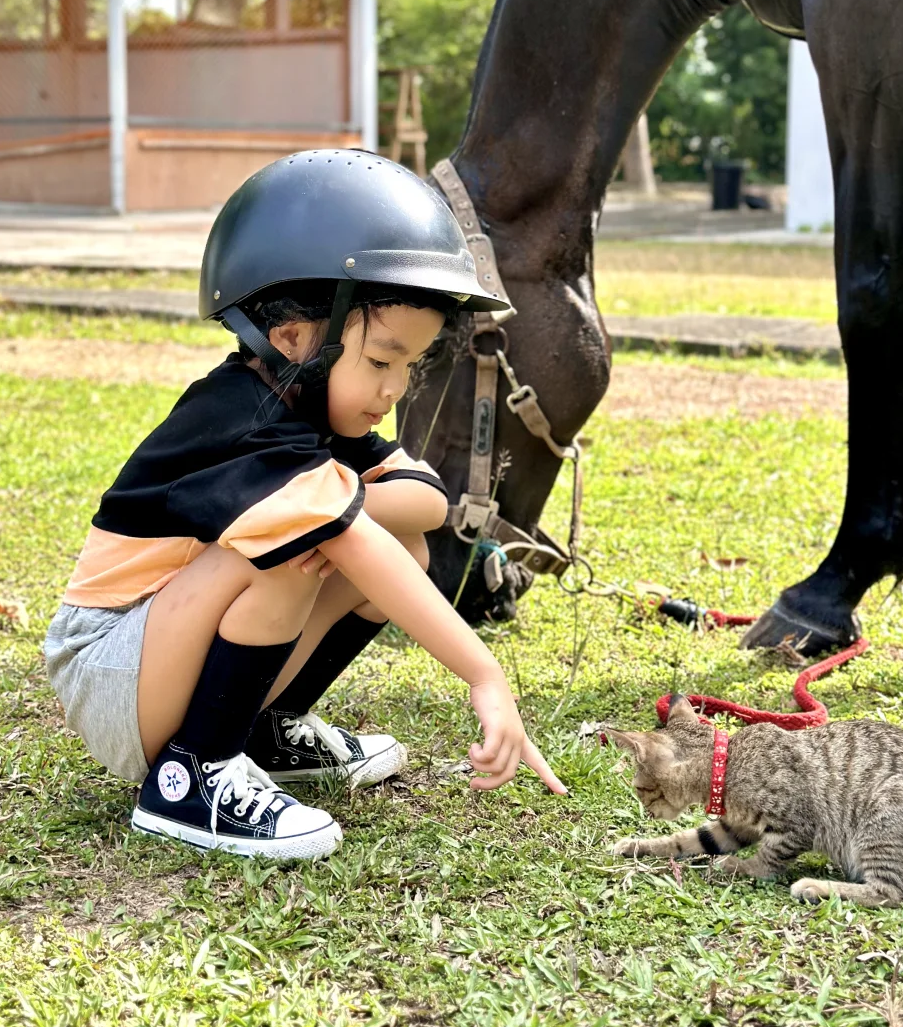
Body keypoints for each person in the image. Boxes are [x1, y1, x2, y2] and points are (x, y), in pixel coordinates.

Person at [44, 151, 565, 861]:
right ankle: (192, 774)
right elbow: (363, 526)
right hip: (106, 667)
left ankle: (262, 730)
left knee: (363, 546)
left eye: (410, 367)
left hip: (156, 656)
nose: (394, 390)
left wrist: (346, 514)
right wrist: (484, 674)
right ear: (294, 336)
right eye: (381, 361)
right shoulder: (245, 420)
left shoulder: (310, 407)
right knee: (292, 551)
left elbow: (427, 506)